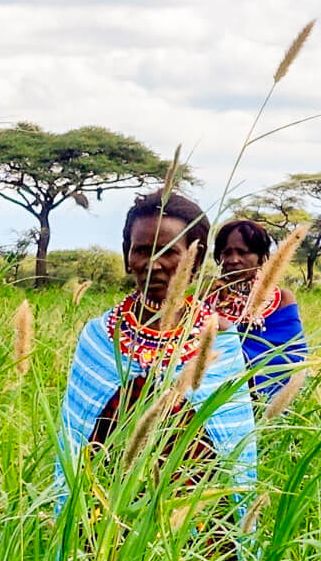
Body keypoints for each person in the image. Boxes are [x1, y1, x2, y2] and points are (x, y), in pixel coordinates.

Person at [57, 188, 257, 515]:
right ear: (126, 256)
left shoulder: (219, 339)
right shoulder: (100, 337)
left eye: (169, 251)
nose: (154, 264)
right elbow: (75, 439)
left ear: (195, 259)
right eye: (141, 250)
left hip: (194, 523)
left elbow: (235, 449)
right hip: (105, 513)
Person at [215, 217, 306, 402]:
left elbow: (293, 357)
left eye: (243, 252)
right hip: (213, 400)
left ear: (261, 257)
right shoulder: (208, 298)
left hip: (268, 401)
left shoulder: (282, 299)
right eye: (226, 252)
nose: (233, 260)